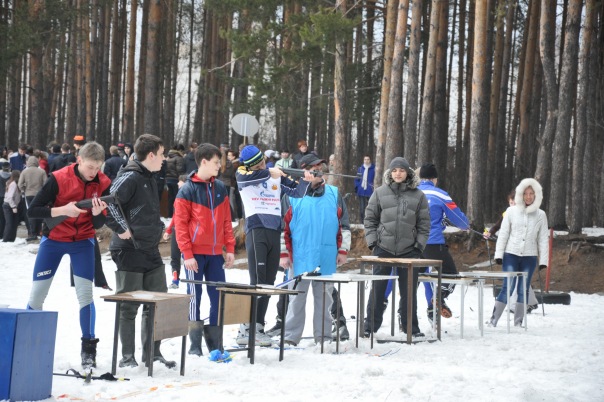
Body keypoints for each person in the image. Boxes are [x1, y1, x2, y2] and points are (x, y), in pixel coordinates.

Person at [25, 142, 111, 368]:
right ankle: (26, 345)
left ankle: (88, 349)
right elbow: (33, 211)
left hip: (83, 242)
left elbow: (101, 221)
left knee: (85, 296)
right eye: (90, 167)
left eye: (98, 168)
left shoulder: (103, 183)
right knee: (37, 296)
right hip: (53, 240)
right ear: (79, 160)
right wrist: (63, 210)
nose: (94, 173)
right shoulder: (59, 178)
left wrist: (96, 213)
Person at [235, 144, 320, 346]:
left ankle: (258, 327)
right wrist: (268, 171)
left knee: (268, 282)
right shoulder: (243, 173)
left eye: (263, 161)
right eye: (258, 164)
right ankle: (246, 327)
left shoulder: (274, 175)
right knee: (258, 280)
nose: (263, 165)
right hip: (256, 229)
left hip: (274, 230)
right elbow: (248, 178)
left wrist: (307, 181)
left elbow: (297, 192)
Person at [105, 134, 176, 369]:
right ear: (152, 154)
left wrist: (159, 228)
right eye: (163, 153)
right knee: (129, 305)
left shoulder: (150, 177)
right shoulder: (130, 175)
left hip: (150, 248)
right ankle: (127, 357)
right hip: (128, 249)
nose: (165, 159)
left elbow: (144, 210)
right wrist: (121, 228)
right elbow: (109, 202)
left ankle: (152, 353)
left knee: (158, 301)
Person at [279, 153, 351, 346]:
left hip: (326, 256)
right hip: (299, 257)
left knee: (325, 301)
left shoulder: (334, 194)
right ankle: (290, 337)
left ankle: (324, 337)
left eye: (322, 169)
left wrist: (343, 250)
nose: (320, 173)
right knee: (296, 299)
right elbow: (282, 228)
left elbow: (344, 226)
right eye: (314, 169)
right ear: (304, 172)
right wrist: (284, 254)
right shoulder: (291, 196)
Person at [174, 143, 236, 355]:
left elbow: (227, 221)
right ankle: (194, 345)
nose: (220, 166)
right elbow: (180, 225)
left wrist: (229, 248)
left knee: (218, 296)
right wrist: (187, 254)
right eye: (217, 162)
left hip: (215, 254)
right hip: (194, 254)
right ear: (204, 162)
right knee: (194, 297)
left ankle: (215, 344)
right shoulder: (187, 189)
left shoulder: (220, 187)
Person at [363, 157, 430, 338]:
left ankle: (411, 328)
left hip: (410, 249)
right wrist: (373, 242)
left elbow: (424, 225)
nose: (398, 173)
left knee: (409, 292)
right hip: (383, 247)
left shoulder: (418, 195)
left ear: (407, 172)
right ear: (390, 173)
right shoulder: (379, 193)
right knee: (377, 289)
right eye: (394, 170)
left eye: (401, 170)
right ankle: (369, 326)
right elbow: (369, 219)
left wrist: (419, 246)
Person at [489, 178, 549, 327]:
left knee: (523, 289)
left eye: (531, 194)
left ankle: (518, 322)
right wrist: (498, 254)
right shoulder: (511, 211)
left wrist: (543, 261)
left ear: (536, 195)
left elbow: (542, 239)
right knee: (507, 287)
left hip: (529, 257)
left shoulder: (541, 215)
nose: (528, 197)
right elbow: (503, 234)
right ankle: (493, 321)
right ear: (521, 195)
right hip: (511, 255)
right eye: (526, 193)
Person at [417, 163, 470, 324]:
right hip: (432, 243)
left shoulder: (410, 193)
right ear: (435, 179)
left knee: (412, 280)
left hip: (411, 245)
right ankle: (438, 298)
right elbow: (460, 220)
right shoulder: (440, 195)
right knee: (451, 274)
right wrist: (465, 225)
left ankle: (404, 315)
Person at [484, 190, 540, 313]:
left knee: (521, 277)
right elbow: (497, 225)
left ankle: (521, 304)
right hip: (511, 250)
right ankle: (530, 302)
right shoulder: (508, 213)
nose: (512, 205)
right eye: (510, 203)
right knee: (514, 277)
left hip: (525, 251)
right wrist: (490, 232)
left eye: (514, 203)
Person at [163, 174, 188, 289]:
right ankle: (175, 279)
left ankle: (191, 279)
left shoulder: (190, 196)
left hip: (188, 232)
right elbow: (175, 216)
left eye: (180, 181)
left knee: (187, 256)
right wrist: (169, 230)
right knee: (175, 256)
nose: (177, 184)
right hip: (177, 230)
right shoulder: (178, 196)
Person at [18, 156, 47, 241]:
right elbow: (46, 184)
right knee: (40, 212)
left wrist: (24, 190)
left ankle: (33, 233)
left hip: (29, 195)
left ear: (28, 162)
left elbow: (20, 184)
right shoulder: (42, 171)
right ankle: (39, 231)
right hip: (40, 195)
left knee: (31, 213)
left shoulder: (24, 172)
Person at [165, 144, 185, 217]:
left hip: (168, 179)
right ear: (180, 150)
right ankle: (176, 215)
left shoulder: (168, 157)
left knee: (170, 198)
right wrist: (182, 179)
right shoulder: (179, 158)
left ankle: (169, 215)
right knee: (178, 198)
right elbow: (180, 170)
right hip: (175, 180)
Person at [354, 155, 375, 223]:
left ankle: (369, 222)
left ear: (370, 160)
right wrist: (358, 186)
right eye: (365, 159)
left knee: (370, 208)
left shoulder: (373, 169)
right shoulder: (360, 169)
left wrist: (372, 186)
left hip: (370, 191)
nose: (366, 161)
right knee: (362, 208)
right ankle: (361, 222)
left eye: (368, 159)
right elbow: (357, 179)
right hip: (361, 191)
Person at [2, 170, 22, 242]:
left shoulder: (13, 183)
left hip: (11, 205)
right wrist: (13, 206)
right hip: (9, 206)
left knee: (14, 223)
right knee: (10, 223)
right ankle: (6, 239)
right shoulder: (13, 184)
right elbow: (10, 197)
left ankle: (11, 239)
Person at [0, 161, 11, 238]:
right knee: (8, 217)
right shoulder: (12, 176)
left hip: (0, 196)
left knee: (1, 216)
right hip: (8, 198)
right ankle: (6, 233)